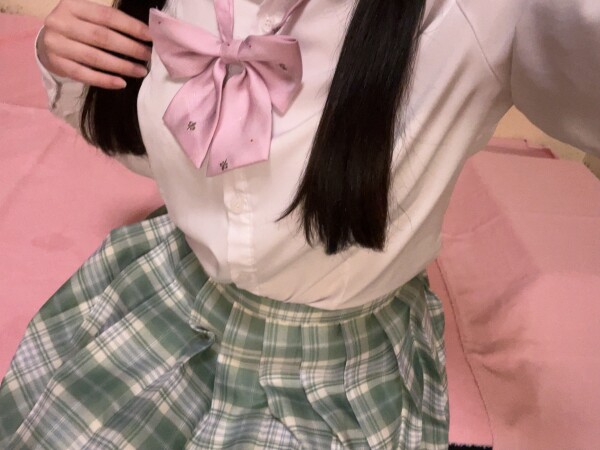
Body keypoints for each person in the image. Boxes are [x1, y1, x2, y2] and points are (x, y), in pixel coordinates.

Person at [0, 0, 598, 448]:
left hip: (337, 367)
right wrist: (68, 55)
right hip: (166, 299)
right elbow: (159, 146)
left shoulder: (481, 14)